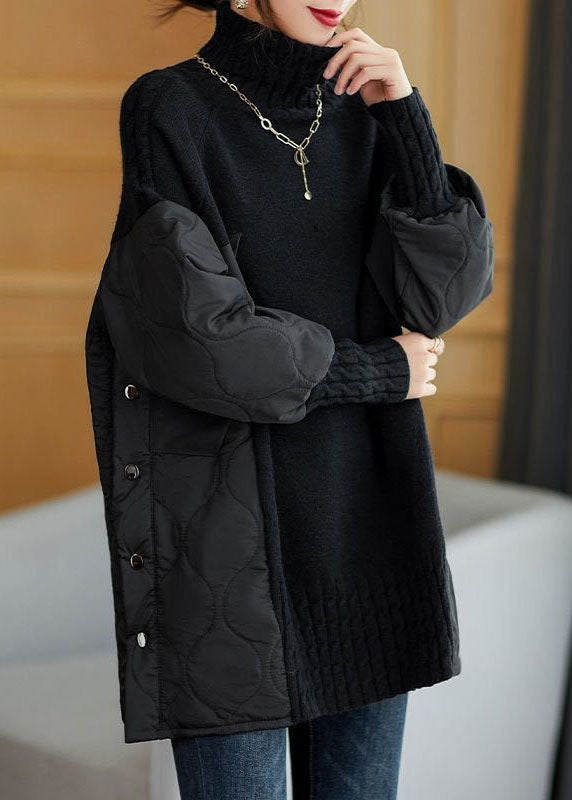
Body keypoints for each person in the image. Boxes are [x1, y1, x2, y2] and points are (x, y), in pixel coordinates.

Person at [83, 0, 494, 797]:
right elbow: (202, 337)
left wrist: (406, 119)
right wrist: (378, 372)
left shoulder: (366, 108)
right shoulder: (171, 106)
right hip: (233, 561)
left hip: (370, 542)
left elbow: (441, 299)